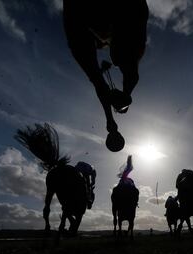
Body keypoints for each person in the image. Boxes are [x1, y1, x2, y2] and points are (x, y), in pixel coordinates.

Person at [63, 0, 149, 151]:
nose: (115, 62)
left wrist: (123, 98)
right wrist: (112, 118)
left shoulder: (115, 33)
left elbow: (103, 81)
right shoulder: (130, 25)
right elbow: (121, 76)